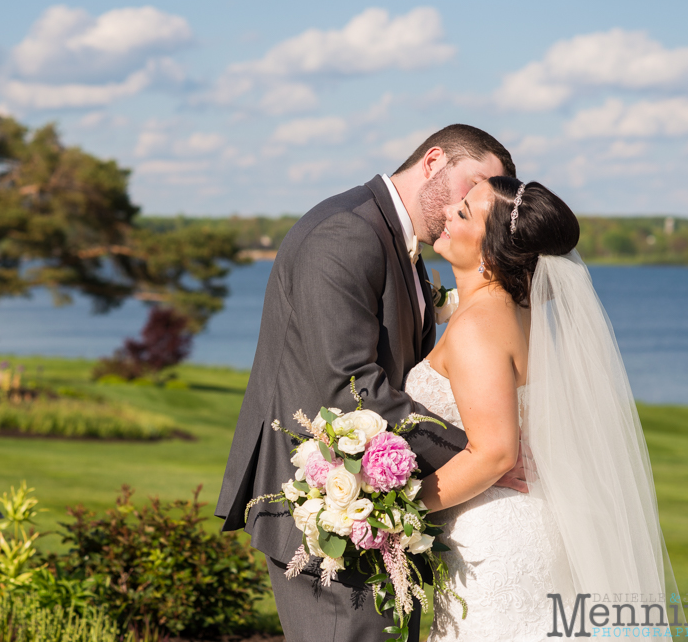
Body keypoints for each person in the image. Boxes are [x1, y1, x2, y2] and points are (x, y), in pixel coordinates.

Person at [215, 124, 526, 642]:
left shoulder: (394, 238)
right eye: (471, 188)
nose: (468, 207)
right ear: (433, 162)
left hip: (378, 502)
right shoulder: (346, 235)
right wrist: (483, 455)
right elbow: (350, 387)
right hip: (329, 513)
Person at [411, 177, 686, 640]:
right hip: (531, 522)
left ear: (492, 249)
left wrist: (402, 507)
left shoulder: (479, 324)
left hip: (491, 542)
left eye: (463, 214)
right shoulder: (522, 314)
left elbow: (495, 452)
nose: (446, 214)